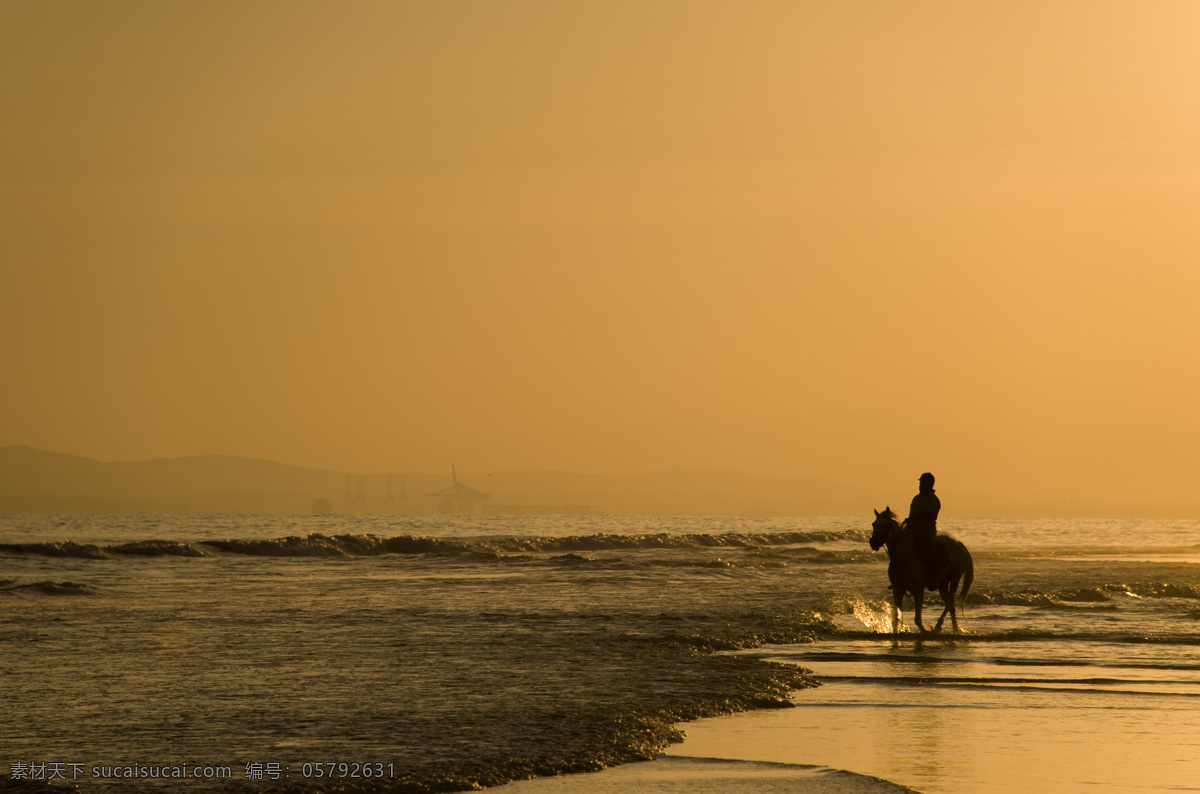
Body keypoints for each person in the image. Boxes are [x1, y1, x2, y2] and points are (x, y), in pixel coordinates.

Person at [907, 472, 942, 589]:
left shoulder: (933, 500)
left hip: (926, 532)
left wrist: (913, 519)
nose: (920, 485)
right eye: (920, 482)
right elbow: (911, 514)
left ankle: (932, 578)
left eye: (923, 483)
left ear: (930, 484)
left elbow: (930, 516)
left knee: (929, 553)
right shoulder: (916, 498)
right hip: (912, 531)